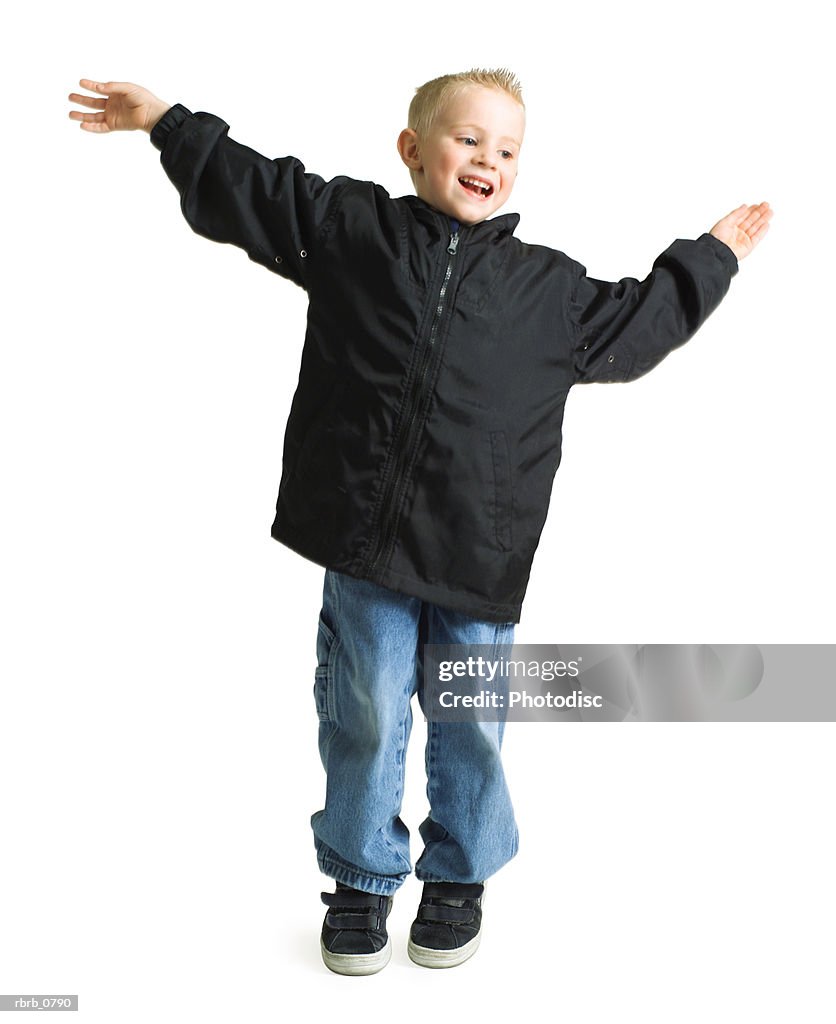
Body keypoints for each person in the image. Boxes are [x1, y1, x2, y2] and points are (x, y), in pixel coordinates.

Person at [68, 69, 772, 975]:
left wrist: (708, 257)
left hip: (479, 551)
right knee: (361, 709)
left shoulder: (547, 291)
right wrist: (167, 123)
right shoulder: (352, 232)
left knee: (471, 718)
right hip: (365, 542)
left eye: (508, 150)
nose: (488, 160)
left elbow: (636, 325)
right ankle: (360, 880)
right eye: (468, 140)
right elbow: (257, 190)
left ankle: (459, 876)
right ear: (413, 149)